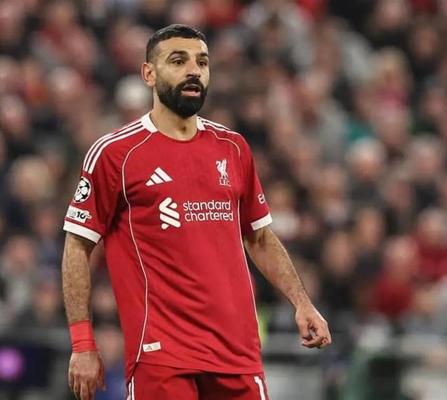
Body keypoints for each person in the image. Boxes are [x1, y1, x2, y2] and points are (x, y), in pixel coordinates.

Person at [61, 24, 331, 400]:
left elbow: (259, 237)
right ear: (148, 74)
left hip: (238, 353)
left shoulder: (232, 147)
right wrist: (82, 343)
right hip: (162, 356)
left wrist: (302, 303)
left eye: (202, 62)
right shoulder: (115, 154)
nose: (194, 71)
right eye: (178, 61)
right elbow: (77, 246)